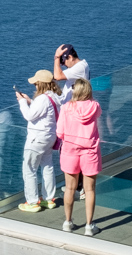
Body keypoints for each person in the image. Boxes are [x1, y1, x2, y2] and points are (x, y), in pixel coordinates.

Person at [56, 77, 102, 236]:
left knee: (69, 188)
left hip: (70, 150)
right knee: (89, 190)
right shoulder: (95, 106)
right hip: (90, 151)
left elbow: (59, 133)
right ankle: (89, 226)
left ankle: (67, 222)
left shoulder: (66, 108)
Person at [14, 70, 62, 213]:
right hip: (50, 137)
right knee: (47, 167)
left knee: (29, 169)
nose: (34, 85)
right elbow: (44, 110)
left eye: (35, 83)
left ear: (40, 84)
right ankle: (49, 199)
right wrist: (30, 101)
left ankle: (32, 202)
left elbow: (29, 115)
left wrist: (23, 102)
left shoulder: (42, 99)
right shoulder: (54, 96)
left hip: (37, 139)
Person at [53, 44, 92, 198]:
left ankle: (79, 188)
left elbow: (57, 76)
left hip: (75, 115)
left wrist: (56, 58)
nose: (63, 66)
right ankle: (75, 186)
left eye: (64, 62)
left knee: (72, 151)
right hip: (72, 113)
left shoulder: (80, 67)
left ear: (69, 57)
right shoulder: (80, 68)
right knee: (70, 151)